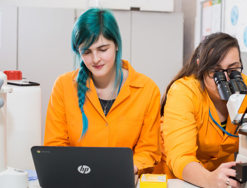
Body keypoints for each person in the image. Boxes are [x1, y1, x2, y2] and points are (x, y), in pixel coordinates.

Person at [156, 32, 247, 187]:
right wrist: (209, 180)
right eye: (215, 72)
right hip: (181, 179)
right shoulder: (184, 92)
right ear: (200, 67)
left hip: (225, 179)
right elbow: (181, 156)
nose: (226, 79)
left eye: (233, 70)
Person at [44, 8, 161, 178]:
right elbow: (55, 146)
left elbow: (149, 150)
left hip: (124, 178)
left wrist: (125, 169)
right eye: (87, 52)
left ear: (116, 45)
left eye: (103, 49)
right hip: (78, 180)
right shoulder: (63, 86)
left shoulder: (147, 90)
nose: (96, 59)